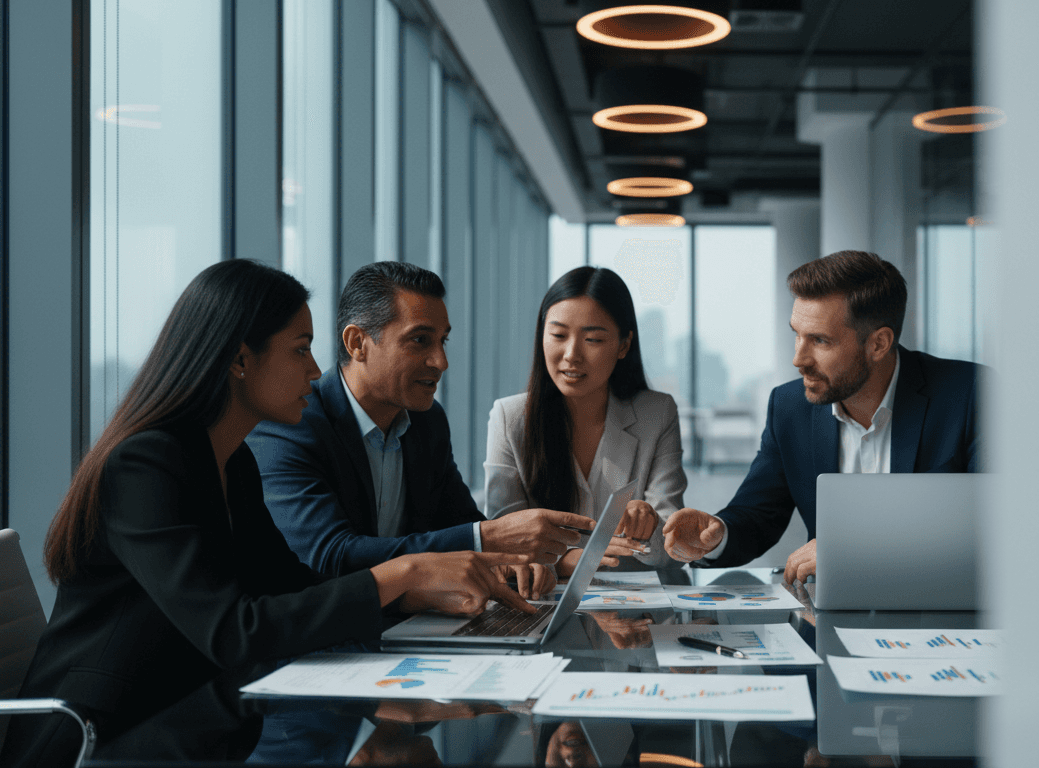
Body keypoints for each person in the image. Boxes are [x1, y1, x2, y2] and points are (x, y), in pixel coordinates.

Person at [0, 261, 533, 767]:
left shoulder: (233, 463)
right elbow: (233, 631)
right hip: (102, 739)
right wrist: (404, 573)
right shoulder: (144, 465)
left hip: (195, 725)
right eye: (300, 350)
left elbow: (288, 588)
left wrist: (414, 593)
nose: (316, 369)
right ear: (240, 359)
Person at [248, 262, 596, 598]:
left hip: (414, 622)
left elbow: (458, 521)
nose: (441, 361)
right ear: (357, 343)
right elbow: (329, 556)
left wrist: (510, 561)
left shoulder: (427, 421)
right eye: (419, 340)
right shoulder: (292, 424)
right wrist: (486, 539)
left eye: (443, 341)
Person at [662, 250, 981, 583]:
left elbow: (996, 527)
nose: (799, 359)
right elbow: (758, 514)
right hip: (828, 607)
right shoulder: (789, 406)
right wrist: (714, 535)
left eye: (819, 340)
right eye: (797, 335)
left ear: (878, 344)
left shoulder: (972, 395)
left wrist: (855, 550)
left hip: (938, 604)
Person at [484, 266, 687, 575]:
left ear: (623, 345)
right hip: (543, 597)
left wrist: (648, 525)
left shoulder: (657, 413)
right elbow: (503, 543)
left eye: (592, 339)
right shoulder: (509, 418)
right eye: (558, 335)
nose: (571, 354)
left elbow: (673, 549)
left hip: (637, 599)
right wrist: (568, 561)